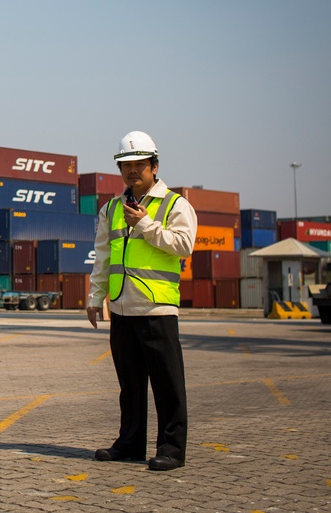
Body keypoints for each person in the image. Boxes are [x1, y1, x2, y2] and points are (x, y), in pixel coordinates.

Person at [86, 131, 197, 472]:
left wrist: (146, 224)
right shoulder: (112, 209)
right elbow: (102, 256)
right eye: (126, 165)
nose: (132, 171)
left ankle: (172, 450)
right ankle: (130, 444)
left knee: (168, 385)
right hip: (121, 307)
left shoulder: (175, 205)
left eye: (139, 165)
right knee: (130, 385)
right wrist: (95, 297)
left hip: (156, 308)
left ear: (154, 165)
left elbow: (184, 245)